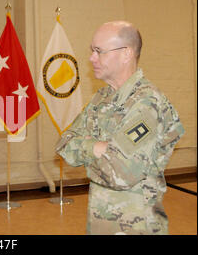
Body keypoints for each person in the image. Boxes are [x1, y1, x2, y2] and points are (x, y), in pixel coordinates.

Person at [55, 21, 184, 235]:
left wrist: (86, 149)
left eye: (99, 51)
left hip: (136, 226)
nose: (91, 58)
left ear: (126, 54)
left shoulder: (148, 103)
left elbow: (120, 173)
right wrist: (99, 148)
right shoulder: (103, 98)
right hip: (100, 223)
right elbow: (64, 143)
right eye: (92, 51)